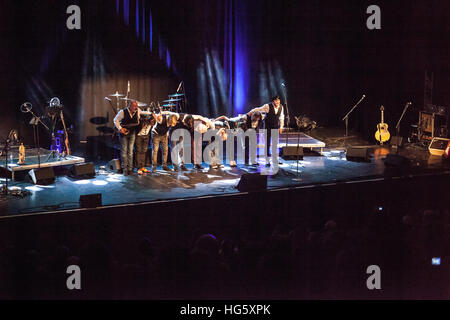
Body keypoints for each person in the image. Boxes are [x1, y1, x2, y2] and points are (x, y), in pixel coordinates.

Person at [113, 101, 155, 175]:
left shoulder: (138, 111)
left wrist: (152, 114)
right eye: (134, 106)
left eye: (136, 106)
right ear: (129, 106)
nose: (136, 108)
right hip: (124, 133)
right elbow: (115, 120)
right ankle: (125, 169)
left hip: (132, 133)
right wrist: (120, 128)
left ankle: (130, 168)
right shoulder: (122, 112)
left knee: (130, 152)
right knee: (124, 151)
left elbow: (143, 114)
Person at [249, 96, 284, 166]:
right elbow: (259, 109)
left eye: (278, 100)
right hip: (268, 127)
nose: (277, 102)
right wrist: (251, 111)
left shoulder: (281, 107)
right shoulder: (267, 106)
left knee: (275, 144)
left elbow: (281, 117)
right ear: (273, 101)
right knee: (267, 144)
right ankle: (267, 160)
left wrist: (281, 127)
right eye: (276, 100)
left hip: (275, 127)